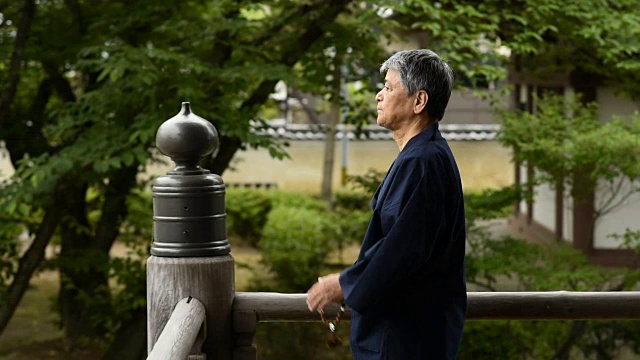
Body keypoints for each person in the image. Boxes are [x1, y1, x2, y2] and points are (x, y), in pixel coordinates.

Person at [306, 49, 467, 359]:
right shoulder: (422, 155)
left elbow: (403, 249)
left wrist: (343, 284)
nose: (379, 96)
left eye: (389, 87)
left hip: (408, 338)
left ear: (419, 101)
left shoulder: (423, 161)